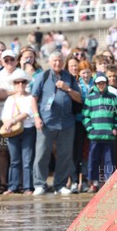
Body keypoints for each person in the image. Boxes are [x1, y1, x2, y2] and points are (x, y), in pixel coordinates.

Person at [31, 52, 82, 196]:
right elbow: (33, 98)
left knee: (65, 155)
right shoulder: (42, 76)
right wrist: (36, 117)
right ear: (49, 61)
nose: (57, 63)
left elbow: (79, 98)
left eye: (60, 60)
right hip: (46, 122)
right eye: (54, 61)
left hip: (66, 123)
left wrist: (68, 89)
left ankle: (60, 185)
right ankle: (39, 184)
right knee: (42, 154)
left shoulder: (69, 77)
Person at [83, 73, 117, 193]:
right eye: (99, 83)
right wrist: (90, 129)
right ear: (95, 84)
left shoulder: (113, 98)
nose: (101, 85)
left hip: (109, 135)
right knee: (93, 160)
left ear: (106, 83)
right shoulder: (89, 98)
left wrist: (115, 127)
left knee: (109, 160)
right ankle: (93, 183)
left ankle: (108, 182)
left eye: (103, 83)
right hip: (95, 135)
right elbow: (85, 116)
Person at [1, 69, 35, 195]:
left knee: (27, 160)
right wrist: (7, 124)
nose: (20, 85)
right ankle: (12, 186)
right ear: (14, 84)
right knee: (14, 160)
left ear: (26, 83)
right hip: (13, 131)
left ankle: (28, 187)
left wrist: (12, 121)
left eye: (23, 82)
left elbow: (27, 113)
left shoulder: (30, 97)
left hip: (28, 130)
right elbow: (4, 115)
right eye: (17, 82)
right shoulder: (10, 99)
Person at [0, 49, 18, 193]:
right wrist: (16, 91)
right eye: (6, 60)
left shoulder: (21, 74)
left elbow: (3, 93)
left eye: (11, 60)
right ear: (2, 61)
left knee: (17, 151)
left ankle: (17, 182)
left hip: (19, 117)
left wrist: (6, 92)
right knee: (2, 151)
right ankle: (3, 182)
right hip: (0, 116)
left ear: (16, 60)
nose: (9, 62)